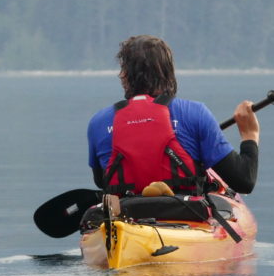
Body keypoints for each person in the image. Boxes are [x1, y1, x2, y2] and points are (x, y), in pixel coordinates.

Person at [87, 35, 260, 197]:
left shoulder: (99, 122)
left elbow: (102, 181)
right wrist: (249, 134)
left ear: (125, 75)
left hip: (125, 217)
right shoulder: (195, 113)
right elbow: (244, 181)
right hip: (185, 214)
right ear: (169, 73)